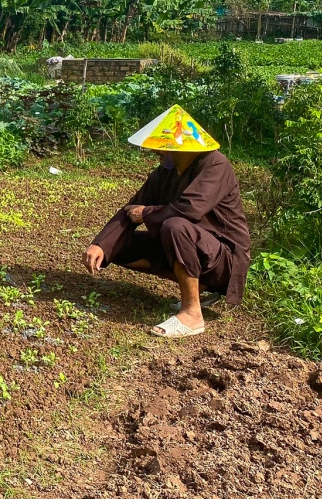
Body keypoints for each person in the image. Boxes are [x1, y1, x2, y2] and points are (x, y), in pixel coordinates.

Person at [84, 105, 251, 338]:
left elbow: (189, 209)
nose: (156, 154)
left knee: (175, 225)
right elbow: (130, 209)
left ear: (179, 147)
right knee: (118, 246)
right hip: (191, 247)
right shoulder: (164, 173)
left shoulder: (215, 164)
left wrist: (147, 213)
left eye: (161, 149)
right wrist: (101, 243)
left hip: (223, 257)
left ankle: (192, 314)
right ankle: (198, 285)